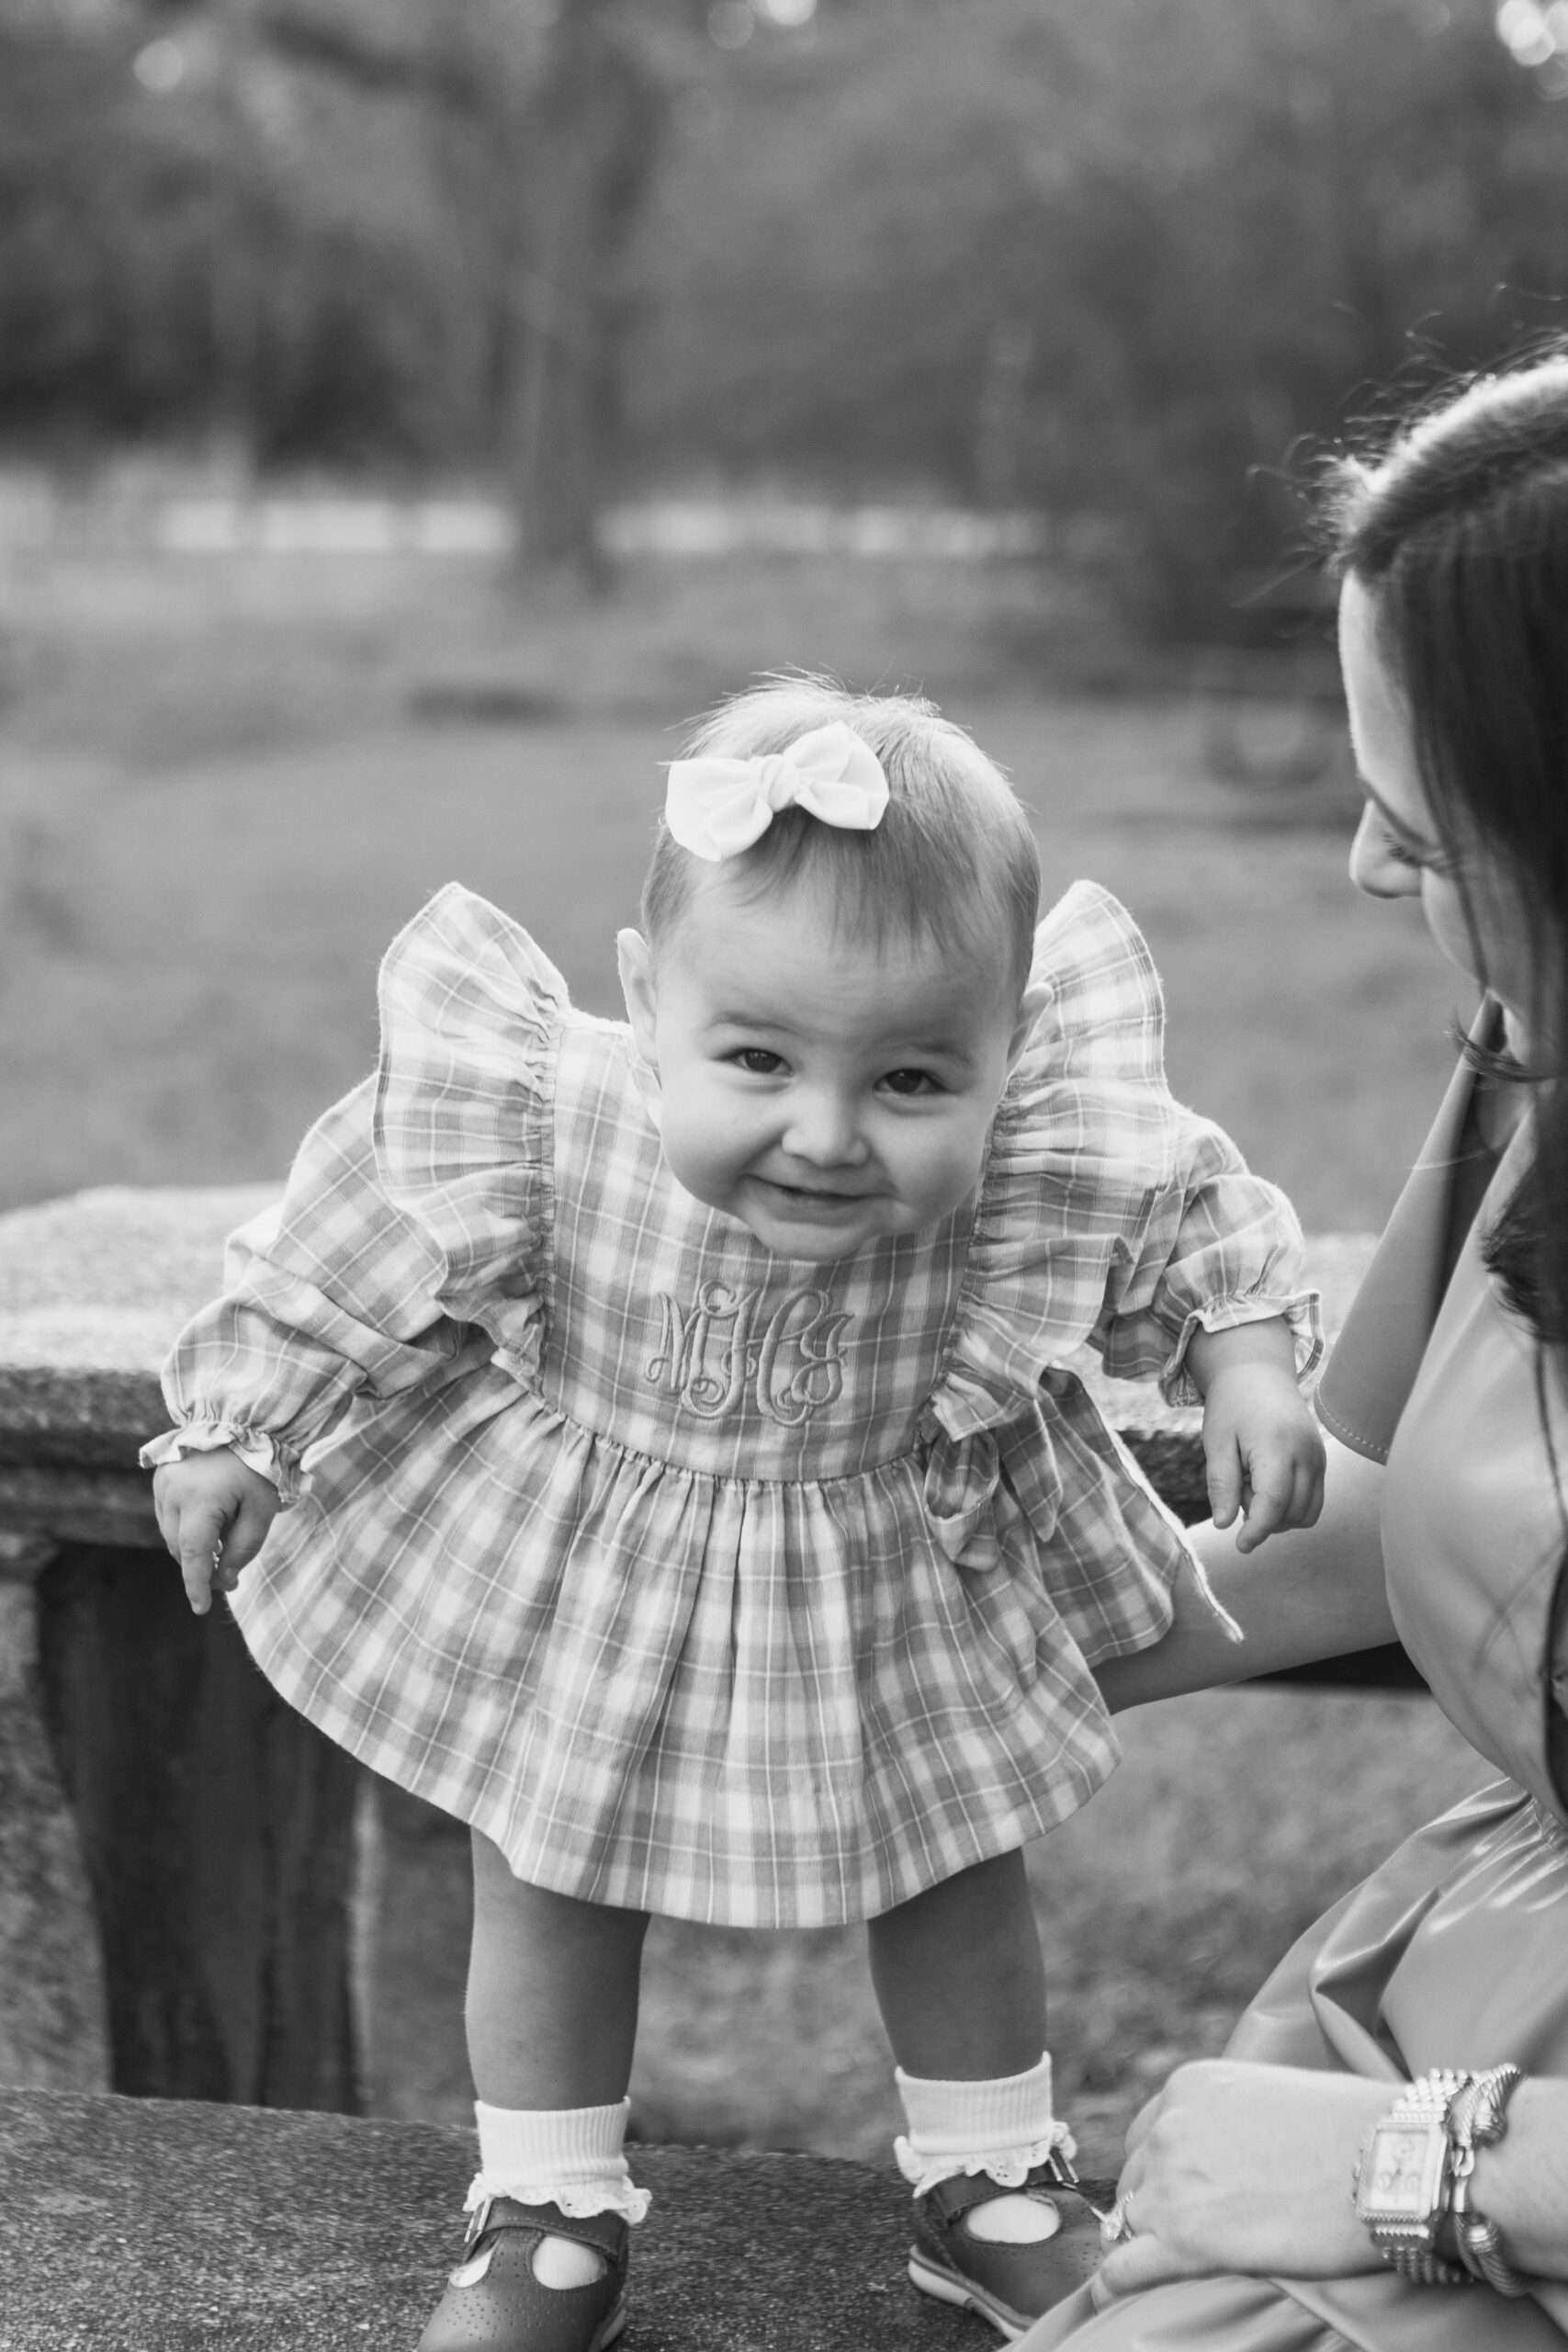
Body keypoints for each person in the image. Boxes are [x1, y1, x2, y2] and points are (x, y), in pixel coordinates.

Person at [142, 678, 1325, 2352]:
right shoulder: (550, 1118)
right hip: (584, 1569)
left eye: (915, 1076)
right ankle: (547, 2205)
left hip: (893, 1572)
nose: (828, 1135)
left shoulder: (1032, 1145)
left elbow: (1183, 1198)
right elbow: (357, 1237)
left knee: (954, 1859)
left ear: (1014, 1046)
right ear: (645, 999)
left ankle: (991, 2179)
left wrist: (1252, 1364)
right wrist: (241, 1427)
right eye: (758, 1058)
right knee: (546, 1867)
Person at [1018, 356, 1568, 2352]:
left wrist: (1402, 2168)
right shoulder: (1533, 1065)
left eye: (1425, 825)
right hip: (1423, 2030)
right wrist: (916, 1662)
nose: (1358, 864)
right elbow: (1396, 1510)